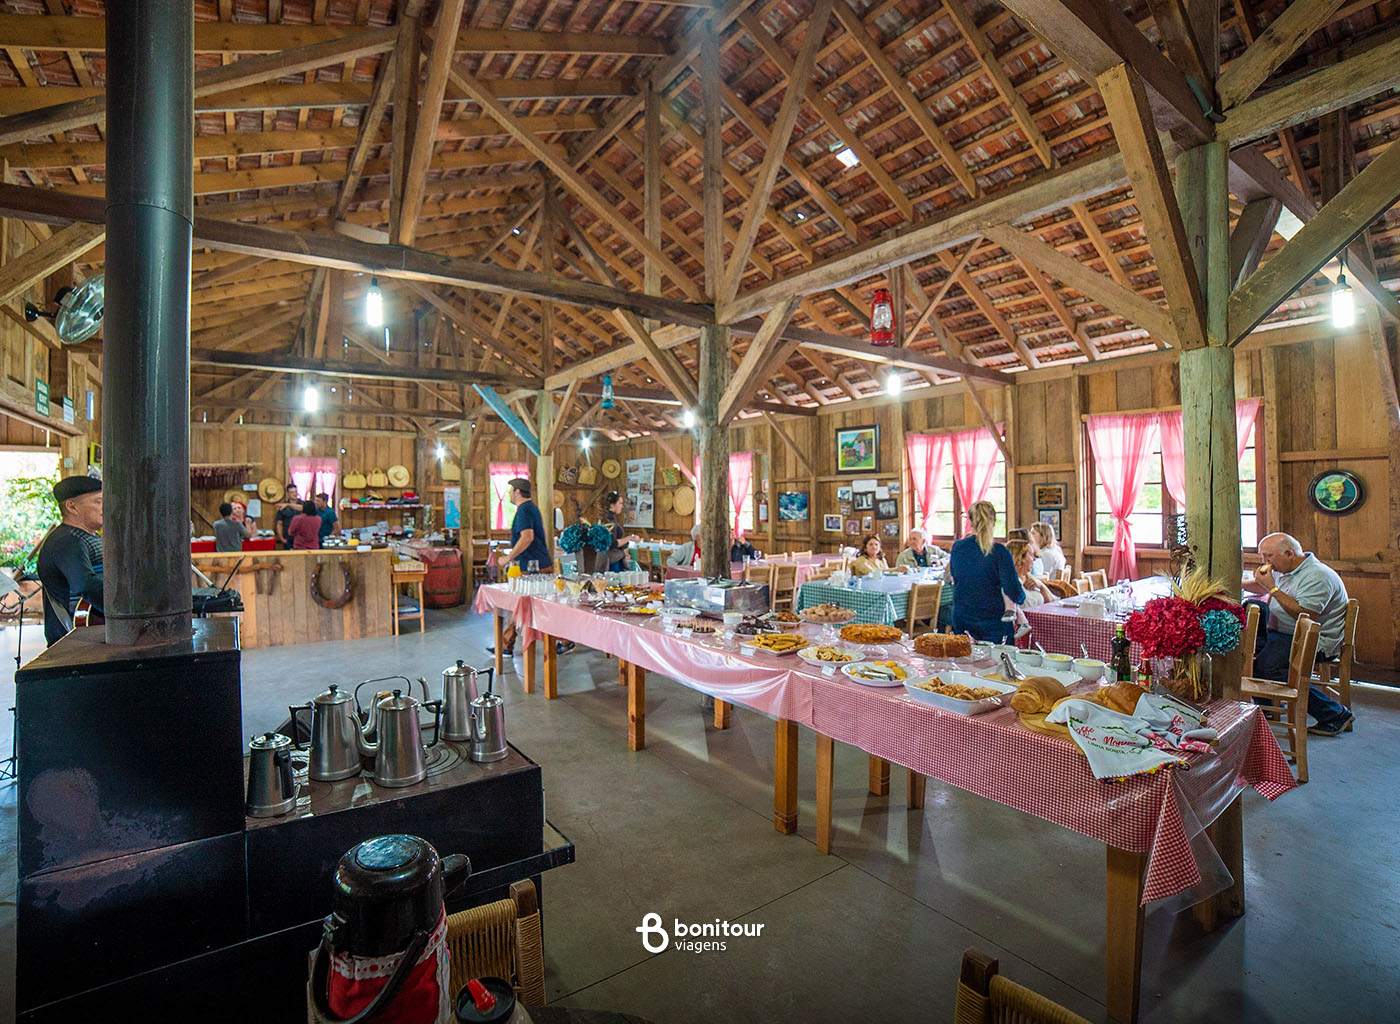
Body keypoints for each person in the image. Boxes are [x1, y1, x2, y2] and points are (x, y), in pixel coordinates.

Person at [1244, 532, 1354, 735]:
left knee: (1267, 668)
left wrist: (1272, 588)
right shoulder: (1286, 568)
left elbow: (1305, 615)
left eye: (1268, 556)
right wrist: (1235, 583)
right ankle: (1268, 707)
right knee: (1248, 654)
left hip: (1314, 639)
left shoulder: (1318, 576)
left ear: (1289, 553)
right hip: (1284, 633)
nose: (1265, 562)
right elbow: (1260, 586)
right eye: (1262, 556)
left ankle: (1334, 714)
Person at [488, 478, 569, 658]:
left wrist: (508, 558)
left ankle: (565, 639)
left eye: (511, 491)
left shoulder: (524, 510)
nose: (509, 494)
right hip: (534, 564)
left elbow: (527, 537)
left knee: (539, 607)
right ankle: (506, 645)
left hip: (534, 567)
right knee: (520, 605)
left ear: (517, 492)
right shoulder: (530, 508)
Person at [34, 475, 104, 647]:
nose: (105, 508)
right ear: (72, 506)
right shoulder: (67, 541)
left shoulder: (89, 537)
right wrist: (128, 611)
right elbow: (86, 586)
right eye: (98, 502)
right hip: (74, 640)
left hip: (92, 633)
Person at [948, 500, 1025, 643]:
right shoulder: (1000, 551)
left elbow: (955, 577)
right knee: (1001, 655)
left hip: (962, 615)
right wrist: (1020, 599)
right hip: (993, 618)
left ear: (970, 522)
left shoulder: (957, 547)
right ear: (994, 522)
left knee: (965, 656)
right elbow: (1012, 589)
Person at [595, 490, 641, 573]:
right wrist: (630, 538)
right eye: (620, 503)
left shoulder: (607, 518)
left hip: (610, 558)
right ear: (612, 505)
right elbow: (613, 543)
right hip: (612, 560)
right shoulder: (609, 521)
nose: (622, 506)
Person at [274, 484, 300, 549]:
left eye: (295, 492)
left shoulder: (303, 505)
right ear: (287, 494)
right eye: (292, 492)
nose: (294, 494)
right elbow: (279, 524)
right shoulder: (283, 507)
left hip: (301, 538)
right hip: (288, 538)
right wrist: (282, 539)